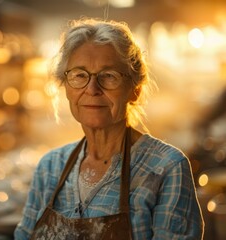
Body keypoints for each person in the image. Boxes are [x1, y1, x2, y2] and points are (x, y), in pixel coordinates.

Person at [14, 18, 204, 239]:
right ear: (66, 87)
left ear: (134, 90)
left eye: (109, 76)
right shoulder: (49, 168)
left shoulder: (166, 169)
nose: (92, 89)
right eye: (79, 75)